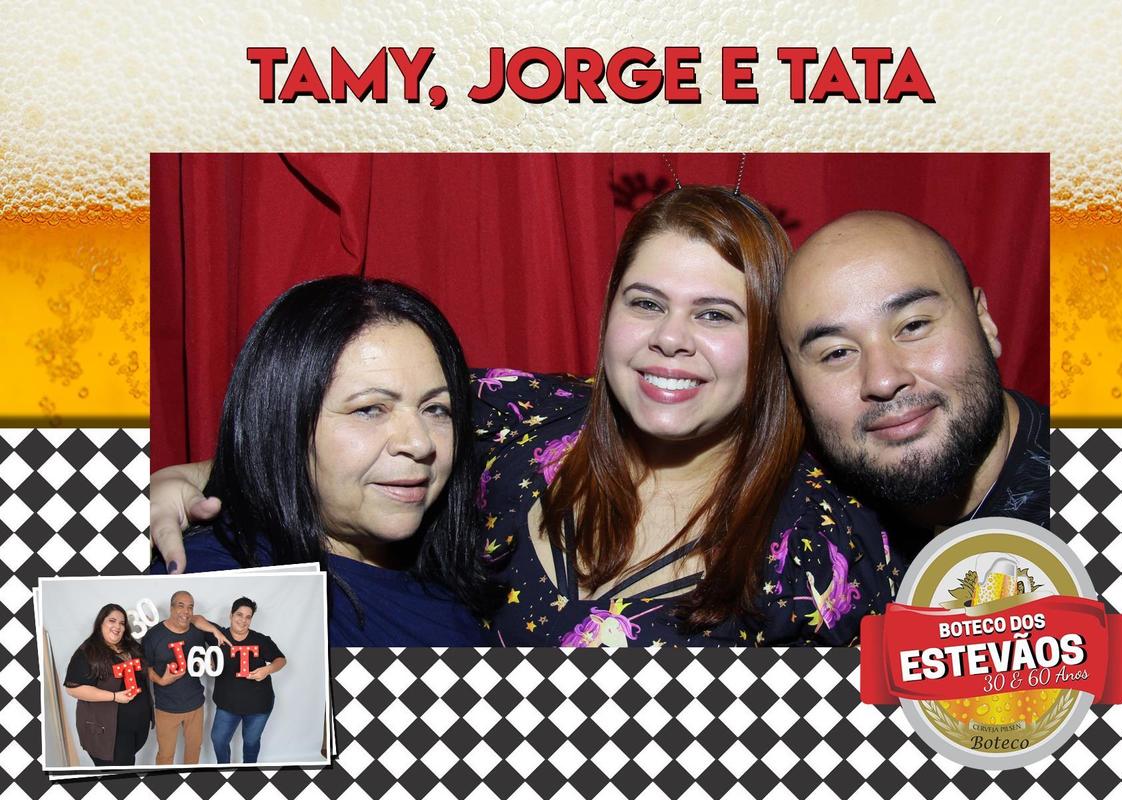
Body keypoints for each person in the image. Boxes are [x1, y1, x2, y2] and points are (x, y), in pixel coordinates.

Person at [151, 188, 904, 646]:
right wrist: (192, 479)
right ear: (609, 315)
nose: (671, 338)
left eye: (715, 314)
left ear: (769, 340)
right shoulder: (516, 416)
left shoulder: (835, 542)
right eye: (646, 303)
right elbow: (339, 418)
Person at [149, 277, 496, 646]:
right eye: (369, 409)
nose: (420, 442)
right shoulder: (217, 593)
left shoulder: (454, 569)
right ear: (283, 423)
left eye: (436, 409)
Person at [778, 209, 1049, 553]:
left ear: (985, 323)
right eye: (837, 353)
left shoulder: (1107, 497)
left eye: (913, 326)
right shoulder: (797, 535)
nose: (883, 380)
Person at [141, 590, 229, 765]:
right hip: (166, 707)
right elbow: (146, 667)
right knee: (166, 755)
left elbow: (198, 619)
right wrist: (161, 680)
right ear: (171, 607)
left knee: (194, 750)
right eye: (181, 606)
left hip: (195, 705)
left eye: (190, 607)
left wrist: (210, 654)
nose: (186, 611)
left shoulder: (198, 629)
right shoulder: (154, 635)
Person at [63, 605, 153, 767]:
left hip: (135, 728)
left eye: (122, 623)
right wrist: (114, 697)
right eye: (112, 620)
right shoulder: (88, 652)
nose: (117, 626)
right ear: (100, 623)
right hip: (108, 733)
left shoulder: (131, 647)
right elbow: (73, 689)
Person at [206, 597, 286, 764]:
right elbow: (195, 619)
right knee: (218, 740)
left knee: (250, 743)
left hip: (258, 705)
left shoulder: (261, 640)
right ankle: (225, 769)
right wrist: (214, 631)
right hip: (227, 704)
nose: (243, 620)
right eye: (239, 614)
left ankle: (248, 772)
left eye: (248, 617)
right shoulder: (218, 636)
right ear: (231, 615)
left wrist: (267, 669)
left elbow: (281, 660)